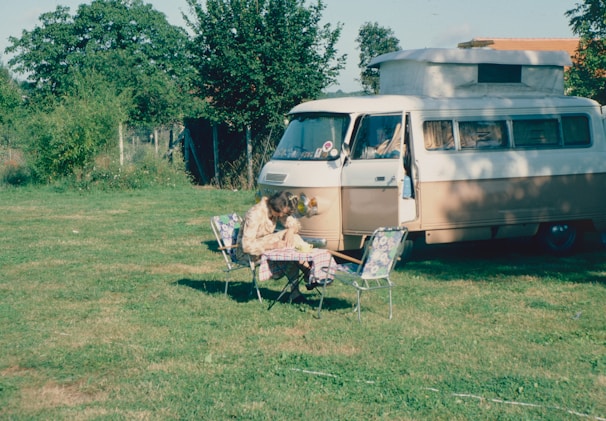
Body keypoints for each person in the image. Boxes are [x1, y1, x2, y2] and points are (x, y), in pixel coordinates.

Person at [235, 191, 307, 301]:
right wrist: (272, 245)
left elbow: (293, 223)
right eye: (283, 213)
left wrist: (291, 230)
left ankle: (298, 287)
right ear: (278, 207)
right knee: (288, 242)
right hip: (247, 253)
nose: (283, 216)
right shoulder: (255, 214)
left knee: (292, 238)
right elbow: (247, 245)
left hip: (264, 243)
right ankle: (309, 271)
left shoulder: (275, 209)